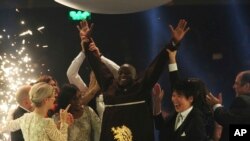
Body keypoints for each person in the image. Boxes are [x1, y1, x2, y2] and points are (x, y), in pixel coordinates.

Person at [79, 19, 189, 141]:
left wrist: (173, 43)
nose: (122, 75)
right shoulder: (110, 87)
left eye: (127, 73)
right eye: (120, 73)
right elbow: (97, 65)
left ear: (135, 77)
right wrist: (86, 41)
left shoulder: (141, 87)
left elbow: (157, 64)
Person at [66, 36, 120, 119]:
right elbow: (71, 74)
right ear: (90, 77)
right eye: (94, 75)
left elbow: (119, 72)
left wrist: (100, 56)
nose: (97, 78)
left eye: (99, 75)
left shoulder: (113, 91)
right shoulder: (85, 91)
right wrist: (84, 52)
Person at [0, 82, 72, 141]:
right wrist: (64, 123)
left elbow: (9, 126)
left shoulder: (24, 118)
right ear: (46, 100)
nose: (54, 99)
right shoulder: (47, 122)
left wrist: (10, 112)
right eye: (53, 96)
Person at [206, 70, 250, 141]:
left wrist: (216, 105)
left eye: (236, 83)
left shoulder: (243, 100)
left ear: (247, 86)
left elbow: (228, 120)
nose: (234, 86)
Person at [54, 76, 101, 141]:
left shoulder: (88, 111)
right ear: (66, 100)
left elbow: (99, 130)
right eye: (74, 99)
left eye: (79, 96)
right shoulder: (57, 117)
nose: (79, 101)